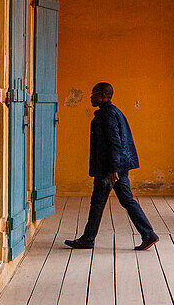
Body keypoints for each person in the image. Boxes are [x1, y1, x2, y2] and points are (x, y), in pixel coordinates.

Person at [65, 82, 158, 251]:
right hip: (115, 166)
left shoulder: (107, 115)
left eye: (93, 94)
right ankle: (147, 234)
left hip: (109, 169)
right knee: (121, 201)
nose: (91, 97)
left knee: (99, 202)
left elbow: (114, 142)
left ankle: (88, 239)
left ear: (102, 95)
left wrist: (113, 169)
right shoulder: (113, 112)